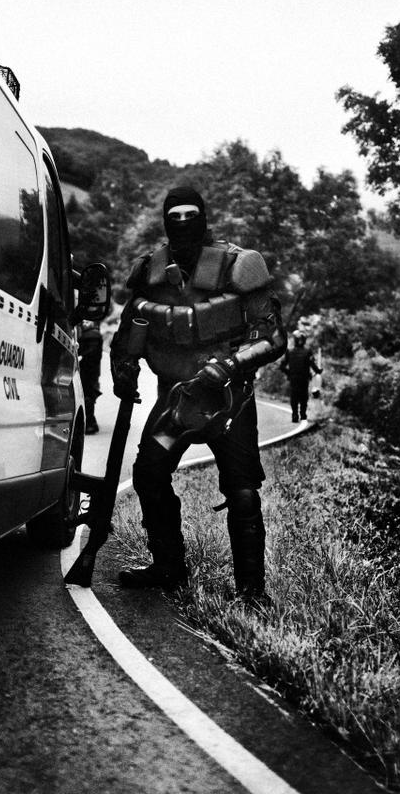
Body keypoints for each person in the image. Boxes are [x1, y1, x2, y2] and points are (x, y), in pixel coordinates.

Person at [109, 186, 286, 603]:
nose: (184, 222)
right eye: (176, 215)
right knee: (149, 474)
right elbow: (129, 330)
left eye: (192, 214)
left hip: (229, 399)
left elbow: (273, 336)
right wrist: (124, 369)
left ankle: (252, 592)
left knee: (242, 489)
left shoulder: (240, 266)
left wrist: (232, 363)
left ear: (205, 217)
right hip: (175, 399)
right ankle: (168, 566)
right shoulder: (150, 271)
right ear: (165, 220)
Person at [280, 331, 321, 423]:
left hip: (294, 378)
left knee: (294, 396)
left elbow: (282, 366)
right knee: (303, 396)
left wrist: (288, 373)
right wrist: (318, 371)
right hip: (304, 378)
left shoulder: (289, 351)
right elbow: (312, 364)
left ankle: (295, 414)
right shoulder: (307, 352)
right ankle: (302, 414)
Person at [77, 319, 103, 434]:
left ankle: (89, 422)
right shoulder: (93, 333)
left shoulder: (91, 334)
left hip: (87, 367)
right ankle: (89, 422)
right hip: (89, 368)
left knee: (87, 392)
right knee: (88, 391)